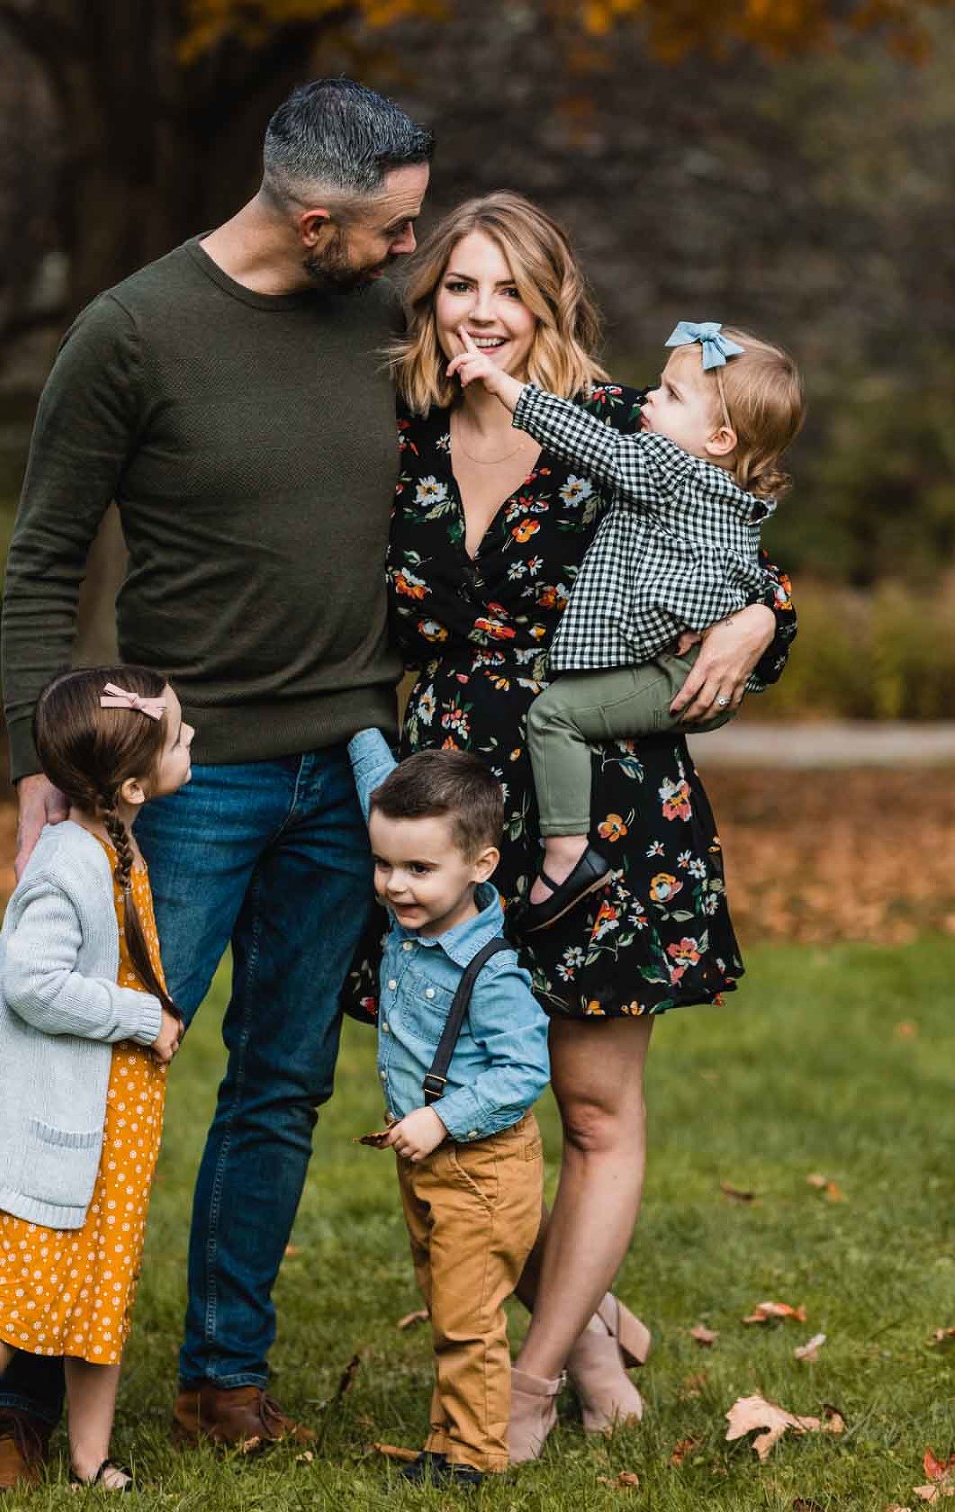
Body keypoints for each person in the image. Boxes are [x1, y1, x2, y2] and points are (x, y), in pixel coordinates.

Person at [0, 79, 435, 1489]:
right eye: (395, 231)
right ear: (313, 221)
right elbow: (43, 560)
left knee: (279, 1084)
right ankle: (23, 1403)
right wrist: (41, 781)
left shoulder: (380, 321)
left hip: (346, 774)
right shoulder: (130, 333)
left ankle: (225, 1375)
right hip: (186, 784)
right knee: (94, 1084)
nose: (412, 253)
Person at [381, 192, 797, 1462]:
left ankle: (536, 1376)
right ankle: (598, 1320)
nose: (485, 312)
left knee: (591, 1108)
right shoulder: (395, 436)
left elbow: (740, 552)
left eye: (511, 290)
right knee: (455, 1088)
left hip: (606, 793)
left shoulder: (621, 425)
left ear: (552, 304)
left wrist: (761, 621)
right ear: (432, 303)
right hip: (450, 802)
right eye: (462, 287)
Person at [0, 666, 190, 1504]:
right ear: (132, 784)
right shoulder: (69, 864)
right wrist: (137, 1015)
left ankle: (91, 1459)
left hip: (111, 1121)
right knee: (6, 1302)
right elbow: (33, 983)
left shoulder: (113, 841)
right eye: (180, 736)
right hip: (54, 1125)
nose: (193, 741)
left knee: (103, 1287)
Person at [445, 319, 804, 926]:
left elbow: (591, 443)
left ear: (718, 437)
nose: (649, 400)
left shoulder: (669, 468)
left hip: (681, 675)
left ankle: (567, 854)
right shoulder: (726, 491)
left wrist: (503, 386)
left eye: (670, 395)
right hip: (673, 666)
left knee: (554, 715)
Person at [349, 738, 550, 1484]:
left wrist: (444, 1117)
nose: (395, 886)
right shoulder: (420, 921)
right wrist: (354, 719)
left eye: (419, 870)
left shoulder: (488, 971)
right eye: (385, 866)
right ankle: (444, 1444)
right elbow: (378, 777)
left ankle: (472, 1459)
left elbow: (526, 1068)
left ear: (481, 867)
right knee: (446, 1306)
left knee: (469, 1321)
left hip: (480, 1167)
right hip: (430, 1164)